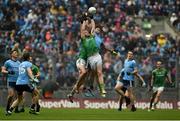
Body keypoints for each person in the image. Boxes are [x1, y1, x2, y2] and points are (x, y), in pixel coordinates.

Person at [1, 49, 22, 114]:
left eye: (17, 53)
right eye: (15, 52)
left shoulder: (19, 63)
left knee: (18, 97)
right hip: (11, 81)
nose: (16, 54)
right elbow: (3, 70)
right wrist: (9, 72)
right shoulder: (8, 62)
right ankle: (7, 108)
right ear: (11, 54)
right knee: (11, 95)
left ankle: (16, 109)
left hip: (18, 81)